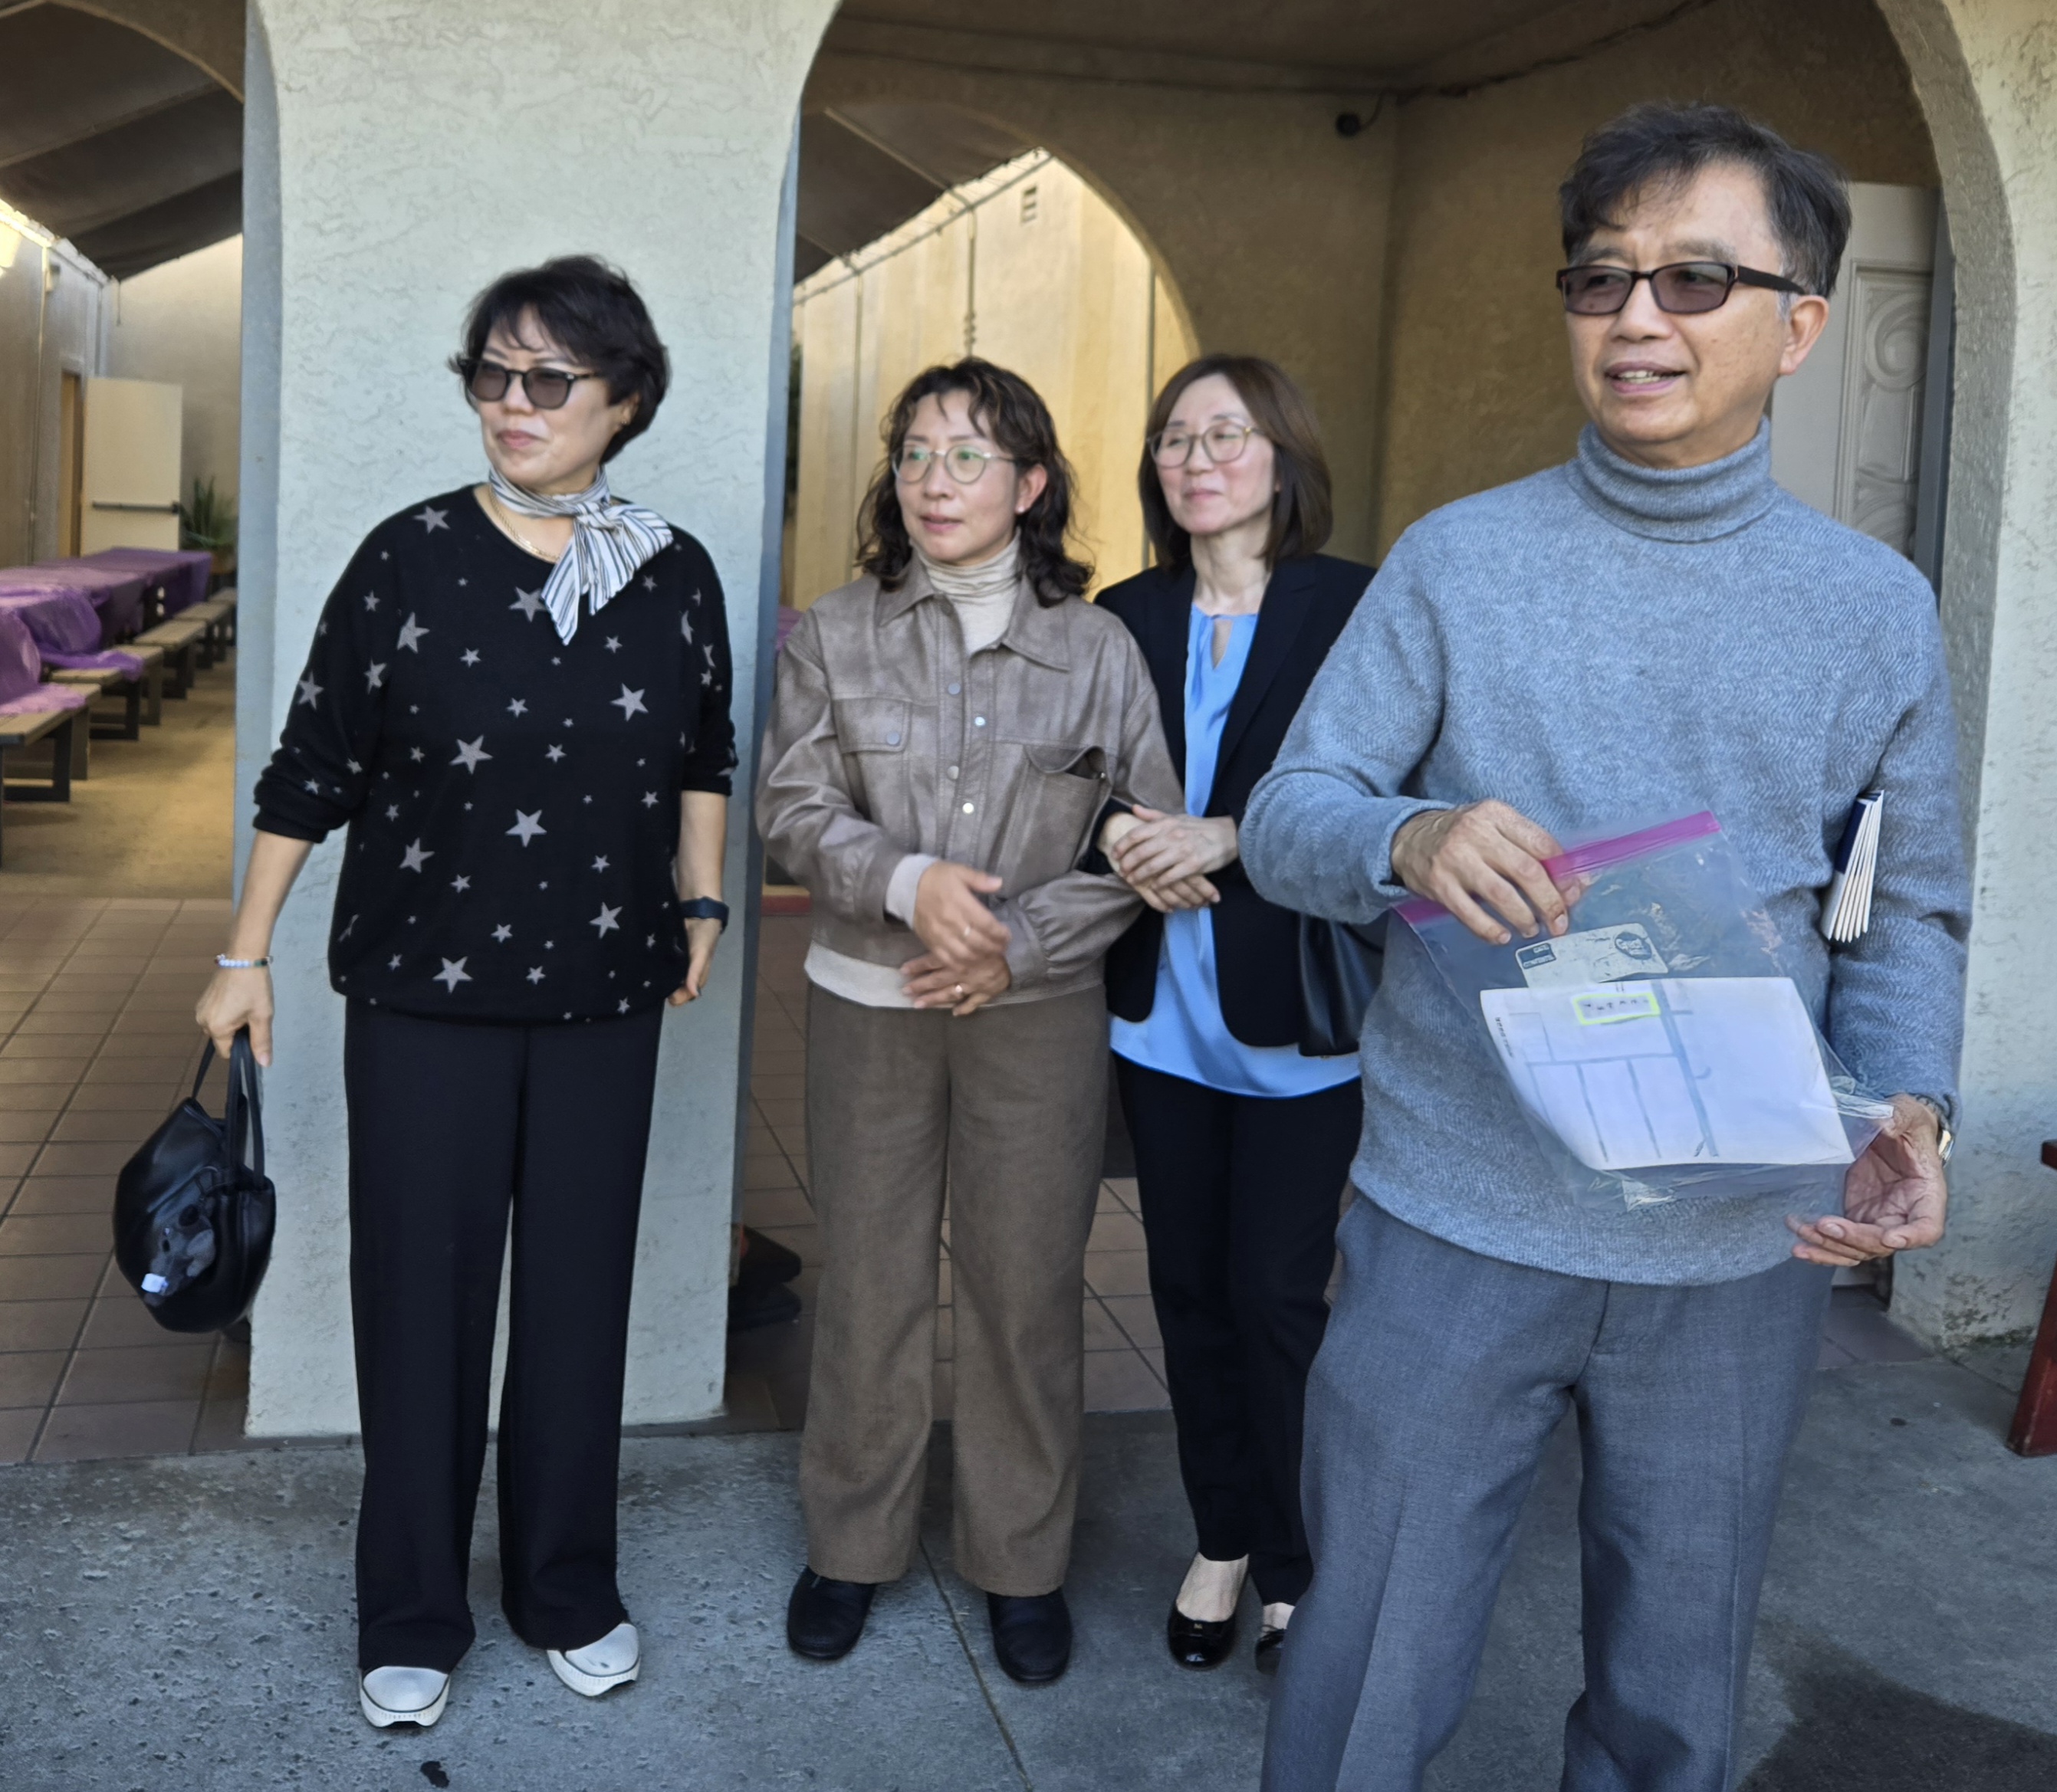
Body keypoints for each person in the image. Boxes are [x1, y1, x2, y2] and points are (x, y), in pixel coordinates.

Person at [1240, 103, 1970, 1789]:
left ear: (1800, 325)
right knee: (1365, 1662)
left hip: (1738, 1240)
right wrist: (1406, 836)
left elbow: (1905, 905)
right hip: (1455, 1216)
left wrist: (1911, 1108)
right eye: (1601, 277)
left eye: (1695, 279)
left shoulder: (1874, 608)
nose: (1637, 317)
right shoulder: (1456, 562)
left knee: (1672, 1687)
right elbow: (1287, 813)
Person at [195, 255, 736, 1731]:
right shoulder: (409, 558)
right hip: (421, 995)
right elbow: (310, 765)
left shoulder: (674, 570)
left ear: (625, 400)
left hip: (607, 991)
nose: (512, 400)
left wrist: (701, 899)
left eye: (549, 378)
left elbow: (703, 749)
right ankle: (412, 1608)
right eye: (492, 372)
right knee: (419, 1304)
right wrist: (243, 953)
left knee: (576, 1299)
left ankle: (566, 1586)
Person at [755, 358, 1179, 1686]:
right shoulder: (836, 631)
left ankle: (1021, 1562)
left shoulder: (1096, 649)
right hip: (867, 1005)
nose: (935, 482)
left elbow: (1144, 838)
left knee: (1024, 1286)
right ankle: (850, 1545)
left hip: (1035, 1016)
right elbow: (788, 804)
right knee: (870, 1282)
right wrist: (906, 885)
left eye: (969, 457)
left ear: (1030, 483)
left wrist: (1015, 941)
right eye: (915, 456)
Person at [1090, 355, 1369, 1675]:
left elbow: (1388, 794)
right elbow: (1067, 774)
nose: (1195, 458)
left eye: (1226, 434)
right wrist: (1117, 832)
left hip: (1294, 1019)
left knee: (1275, 1294)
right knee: (1188, 1290)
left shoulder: (1353, 608)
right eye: (1174, 438)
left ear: (1282, 455)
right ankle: (1220, 1536)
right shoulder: (1122, 614)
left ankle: (1296, 1562)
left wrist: (1231, 837)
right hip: (1159, 1018)